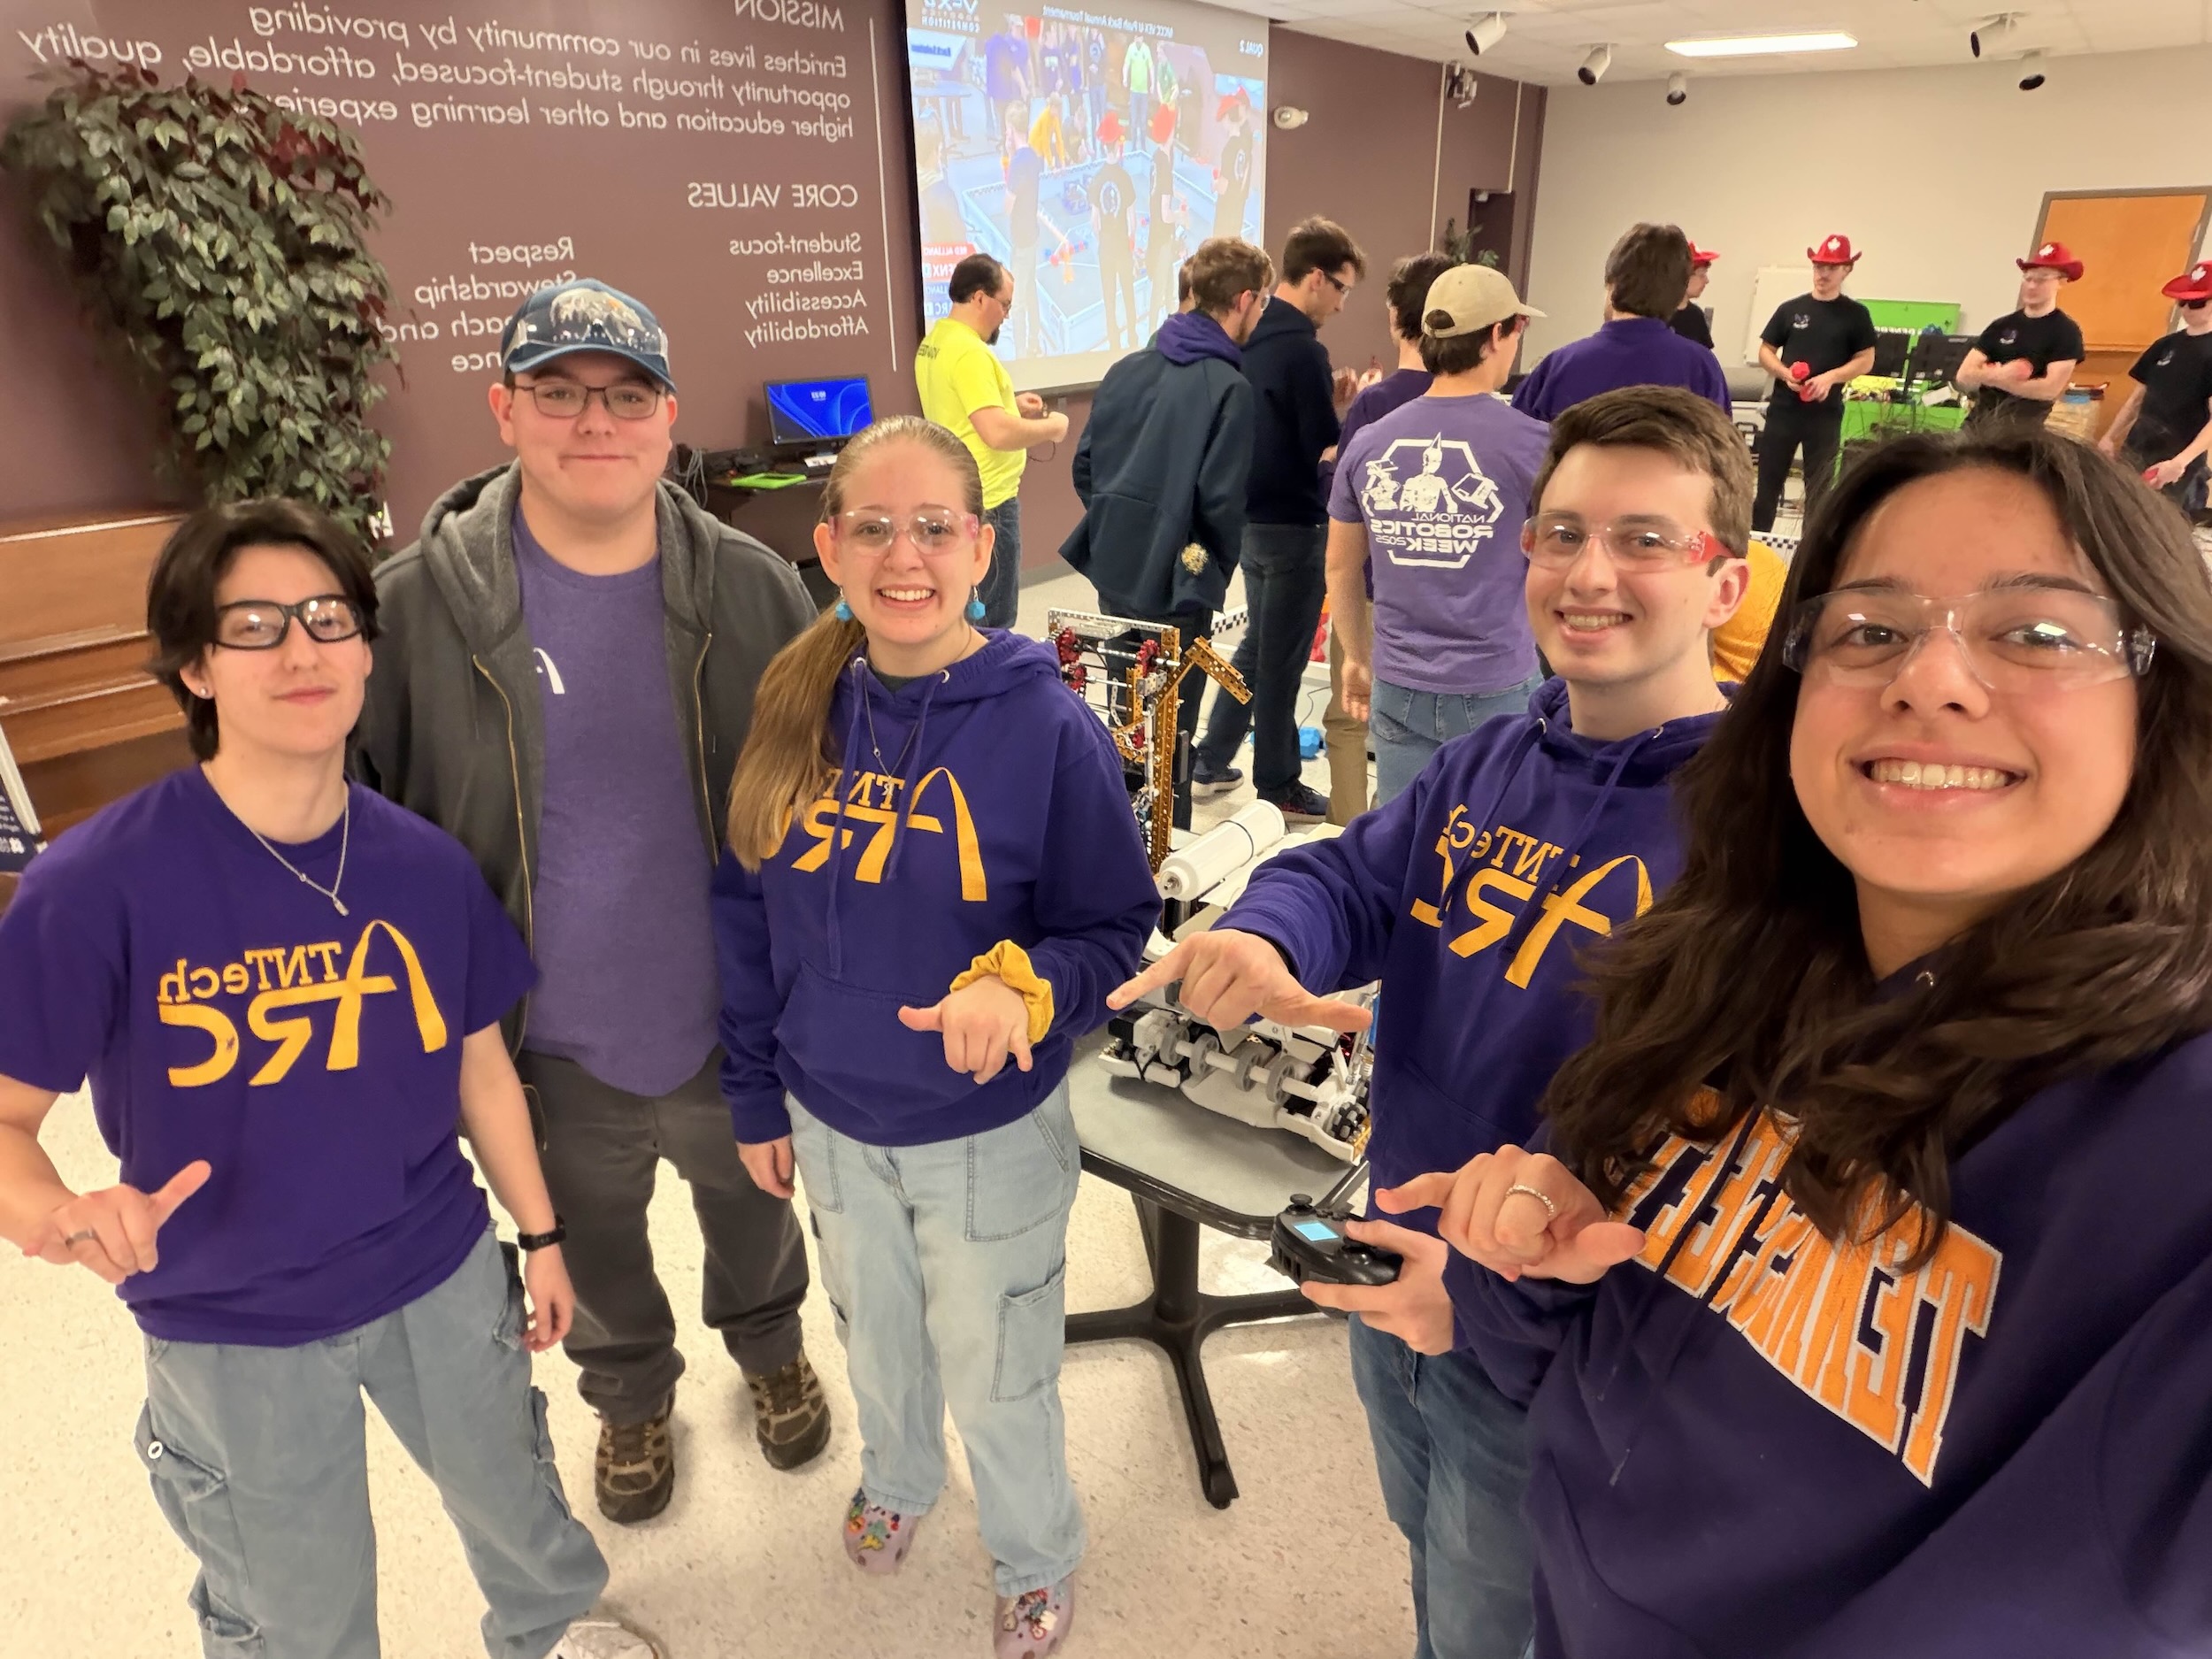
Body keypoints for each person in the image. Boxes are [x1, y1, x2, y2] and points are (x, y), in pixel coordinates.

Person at [1405, 427, 2212, 1659]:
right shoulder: (1716, 972)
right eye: (1871, 631)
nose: (1932, 679)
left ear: (2163, 701)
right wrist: (1518, 1255)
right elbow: (1557, 1360)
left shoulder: (2176, 1145)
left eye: (2037, 632)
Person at [1110, 386, 1752, 1659]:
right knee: (1427, 1553)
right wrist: (1263, 932)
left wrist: (1496, 1305)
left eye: (1643, 539)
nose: (1587, 572)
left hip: (1549, 1354)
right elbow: (1352, 870)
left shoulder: (1757, 837)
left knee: (1496, 1615)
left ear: (1725, 584)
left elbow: (1715, 1169)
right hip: (1390, 1261)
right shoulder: (1494, 759)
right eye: (1560, 533)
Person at [0, 499, 660, 1659]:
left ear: (366, 646)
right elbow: (5, 1115)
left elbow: (482, 1067)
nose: (301, 649)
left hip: (437, 1270)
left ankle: (553, 1635)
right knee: (295, 1610)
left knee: (521, 1510)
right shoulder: (96, 882)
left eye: (327, 616)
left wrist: (543, 1235)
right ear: (195, 664)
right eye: (253, 623)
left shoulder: (421, 863)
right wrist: (60, 1207)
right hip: (230, 1317)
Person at [354, 278, 827, 1526]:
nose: (593, 422)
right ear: (504, 410)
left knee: (754, 1206)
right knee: (592, 1236)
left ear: (668, 417)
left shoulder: (750, 587)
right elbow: (357, 822)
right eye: (557, 393)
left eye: (623, 396)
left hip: (727, 1022)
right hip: (540, 1046)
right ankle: (626, 1392)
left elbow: (821, 804)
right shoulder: (409, 610)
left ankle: (771, 1340)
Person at [716, 417, 1158, 1659]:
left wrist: (1022, 994)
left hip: (985, 1135)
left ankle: (1033, 1551)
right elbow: (743, 911)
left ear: (980, 544)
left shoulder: (1047, 724)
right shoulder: (796, 706)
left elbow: (1116, 928)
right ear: (828, 546)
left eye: (932, 528)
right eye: (873, 526)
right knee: (876, 1337)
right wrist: (756, 1095)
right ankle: (900, 1477)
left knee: (999, 1362)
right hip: (831, 1118)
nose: (903, 556)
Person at [1060, 235, 1273, 827]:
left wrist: (1121, 528)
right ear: (1245, 300)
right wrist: (1196, 567)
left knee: (1128, 717)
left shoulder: (1125, 369)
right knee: (1169, 739)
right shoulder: (1228, 388)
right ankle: (1156, 864)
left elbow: (1086, 468)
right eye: (1263, 306)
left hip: (1116, 572)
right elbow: (1221, 506)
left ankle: (1115, 842)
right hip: (1178, 590)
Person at [1333, 263, 1552, 805]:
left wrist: (1357, 657)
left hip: (1398, 680)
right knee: (1496, 841)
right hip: (1496, 680)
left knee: (1401, 838)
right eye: (1517, 329)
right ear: (1497, 334)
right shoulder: (1536, 446)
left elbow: (1339, 566)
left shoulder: (1367, 442)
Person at [1193, 216, 1368, 822]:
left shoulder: (1245, 336)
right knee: (1282, 664)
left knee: (1255, 646)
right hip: (1295, 526)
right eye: (1342, 288)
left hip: (1246, 521)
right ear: (1315, 278)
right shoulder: (1303, 350)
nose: (1342, 304)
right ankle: (1279, 782)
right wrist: (1351, 415)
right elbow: (1321, 448)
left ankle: (1210, 756)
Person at [1318, 249, 1461, 822]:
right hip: (1444, 599)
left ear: (1394, 315)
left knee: (1351, 716)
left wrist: (1330, 454)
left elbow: (1345, 495)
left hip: (1373, 588)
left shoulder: (1377, 403)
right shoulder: (1472, 400)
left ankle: (1353, 833)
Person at [918, 253, 1071, 629]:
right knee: (994, 619)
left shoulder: (936, 342)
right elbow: (996, 432)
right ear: (980, 298)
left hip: (959, 493)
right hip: (992, 502)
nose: (1005, 315)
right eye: (1004, 304)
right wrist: (1053, 428)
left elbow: (963, 412)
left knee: (967, 611)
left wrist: (1010, 405)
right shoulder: (971, 353)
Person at [1512, 223, 1731, 422]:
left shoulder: (1558, 367)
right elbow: (1722, 458)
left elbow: (1517, 450)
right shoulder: (1702, 370)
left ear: (1612, 283)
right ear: (1678, 295)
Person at [1752, 233, 1878, 534]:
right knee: (1768, 484)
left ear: (1847, 270)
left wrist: (1831, 377)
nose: (1822, 274)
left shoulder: (1856, 315)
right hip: (1784, 409)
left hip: (1824, 413)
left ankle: (1809, 554)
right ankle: (1756, 545)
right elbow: (1765, 350)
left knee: (1819, 490)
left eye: (1831, 268)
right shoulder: (1791, 309)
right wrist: (1784, 373)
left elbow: (1866, 358)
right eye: (1818, 266)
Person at [2099, 258, 2212, 512]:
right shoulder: (2165, 345)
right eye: (2181, 302)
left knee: (2161, 524)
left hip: (2177, 453)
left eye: (2196, 303)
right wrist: (2109, 437)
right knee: (2121, 511)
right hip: (2140, 444)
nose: (2186, 309)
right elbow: (2136, 399)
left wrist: (2181, 461)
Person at [1956, 242, 2085, 434]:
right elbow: (1964, 376)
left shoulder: (2066, 332)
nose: (2032, 286)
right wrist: (2004, 375)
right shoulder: (2001, 325)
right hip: (1977, 425)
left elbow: (2049, 390)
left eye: (2042, 280)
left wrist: (1994, 377)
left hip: (2021, 433)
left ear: (2061, 282)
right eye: (2028, 278)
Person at [1088, 114, 1141, 351]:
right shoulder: (1125, 178)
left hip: (1106, 248)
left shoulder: (1097, 180)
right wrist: (1130, 241)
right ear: (1118, 146)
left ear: (1103, 146)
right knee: (1128, 293)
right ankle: (1132, 338)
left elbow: (1094, 221)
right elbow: (1133, 220)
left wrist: (1103, 240)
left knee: (1109, 298)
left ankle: (1114, 342)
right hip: (1122, 246)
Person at [1002, 105, 1048, 359]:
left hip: (1021, 239)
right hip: (1033, 235)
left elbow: (1007, 206)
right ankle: (1034, 342)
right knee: (1030, 291)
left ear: (1010, 128)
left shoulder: (1018, 163)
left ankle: (1021, 355)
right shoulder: (1033, 157)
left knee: (1017, 301)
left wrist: (1009, 158)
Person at [1144, 135, 1186, 329]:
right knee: (1160, 289)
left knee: (1168, 285)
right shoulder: (1165, 168)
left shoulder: (1156, 158)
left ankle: (1170, 323)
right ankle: (1153, 329)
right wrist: (1181, 216)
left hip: (1156, 234)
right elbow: (1166, 214)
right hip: (1163, 237)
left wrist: (1177, 194)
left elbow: (1160, 191)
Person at [1211, 88, 1256, 239]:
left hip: (1226, 209)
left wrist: (1215, 184)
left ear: (1228, 118)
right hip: (1237, 205)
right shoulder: (1243, 142)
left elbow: (1223, 187)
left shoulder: (1229, 149)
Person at [1668, 242, 1717, 349]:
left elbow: (1704, 356)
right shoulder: (1657, 315)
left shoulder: (1696, 315)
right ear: (1683, 276)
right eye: (1701, 275)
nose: (1707, 281)